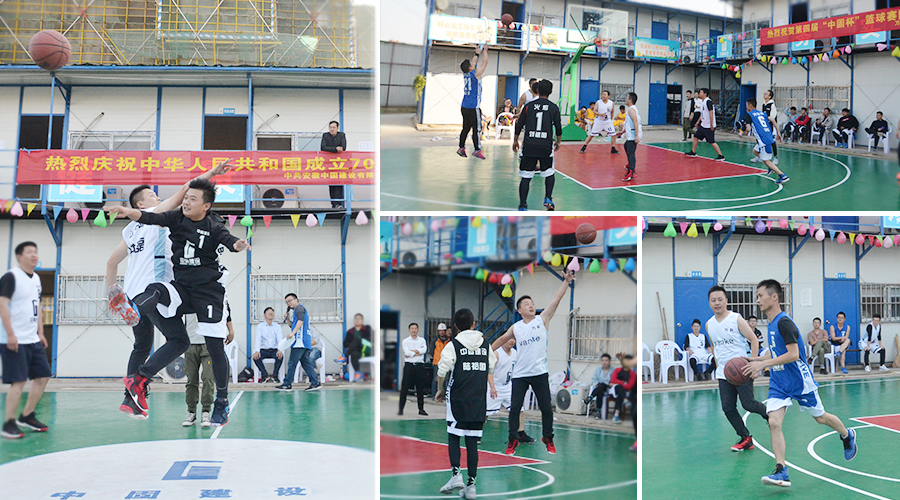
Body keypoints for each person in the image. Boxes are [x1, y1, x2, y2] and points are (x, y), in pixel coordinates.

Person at [108, 178, 251, 427]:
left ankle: (134, 394)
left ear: (205, 205)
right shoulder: (170, 215)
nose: (161, 198)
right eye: (153, 195)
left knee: (145, 346)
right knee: (176, 334)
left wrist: (111, 292)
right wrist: (212, 173)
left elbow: (112, 261)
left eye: (192, 199)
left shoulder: (132, 230)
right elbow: (161, 208)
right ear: (142, 203)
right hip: (169, 286)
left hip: (173, 293)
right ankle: (138, 383)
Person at [744, 280, 857, 488]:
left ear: (774, 297)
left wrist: (764, 364)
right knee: (774, 422)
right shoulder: (771, 323)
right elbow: (777, 351)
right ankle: (781, 471)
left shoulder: (784, 323)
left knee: (821, 418)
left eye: (760, 295)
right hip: (779, 382)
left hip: (799, 381)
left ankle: (847, 434)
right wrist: (757, 359)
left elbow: (794, 354)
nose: (757, 300)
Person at [492, 270, 575, 456]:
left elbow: (557, 299)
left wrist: (566, 282)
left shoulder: (542, 319)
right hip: (520, 375)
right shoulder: (516, 327)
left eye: (532, 303)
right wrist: (487, 350)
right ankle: (513, 439)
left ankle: (548, 438)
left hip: (539, 373)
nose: (530, 305)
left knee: (546, 408)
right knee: (515, 409)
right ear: (519, 311)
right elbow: (502, 339)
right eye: (526, 304)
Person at [436, 308, 497, 499]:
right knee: (472, 442)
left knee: (454, 436)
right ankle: (471, 486)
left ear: (455, 326)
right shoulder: (485, 345)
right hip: (478, 400)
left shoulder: (453, 345)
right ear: (473, 324)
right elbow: (491, 367)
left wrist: (439, 389)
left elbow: (442, 370)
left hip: (457, 399)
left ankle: (456, 475)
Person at [705, 285, 768, 452]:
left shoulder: (736, 319)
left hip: (742, 369)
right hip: (724, 373)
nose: (717, 303)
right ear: (709, 303)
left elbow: (754, 340)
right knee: (728, 408)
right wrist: (719, 367)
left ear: (726, 301)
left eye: (720, 299)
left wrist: (754, 366)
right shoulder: (709, 324)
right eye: (713, 300)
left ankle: (770, 415)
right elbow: (714, 347)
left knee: (748, 404)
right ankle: (745, 438)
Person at [0, 242, 50, 439]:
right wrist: (10, 334)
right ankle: (8, 424)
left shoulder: (36, 278)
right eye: (29, 252)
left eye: (36, 252)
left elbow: (37, 306)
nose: (34, 255)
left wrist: (40, 333)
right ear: (19, 257)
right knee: (19, 381)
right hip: (14, 339)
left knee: (43, 375)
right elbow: (2, 305)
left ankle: (27, 415)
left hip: (32, 339)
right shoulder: (11, 277)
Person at [514, 79, 562, 212]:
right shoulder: (553, 107)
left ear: (537, 90)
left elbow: (519, 124)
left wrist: (515, 140)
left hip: (529, 145)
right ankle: (548, 198)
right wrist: (558, 141)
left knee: (526, 176)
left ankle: (523, 205)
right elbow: (558, 127)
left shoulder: (528, 107)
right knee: (549, 173)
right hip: (545, 146)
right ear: (551, 92)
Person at [182, 310, 233, 428]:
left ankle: (206, 411)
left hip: (208, 343)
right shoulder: (187, 299)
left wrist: (231, 330)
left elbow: (225, 310)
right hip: (190, 343)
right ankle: (191, 412)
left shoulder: (209, 299)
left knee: (208, 378)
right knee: (191, 380)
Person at [277, 294, 320, 391]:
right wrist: (287, 318)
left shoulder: (299, 309)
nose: (289, 303)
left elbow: (300, 322)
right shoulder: (297, 311)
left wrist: (293, 333)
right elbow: (292, 325)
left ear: (296, 299)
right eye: (287, 302)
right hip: (304, 342)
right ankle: (315, 382)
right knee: (306, 363)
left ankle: (287, 384)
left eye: (290, 300)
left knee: (292, 363)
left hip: (299, 341)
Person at [746, 98, 789, 184]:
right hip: (768, 137)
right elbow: (773, 120)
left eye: (746, 105)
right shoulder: (763, 114)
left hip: (763, 140)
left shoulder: (749, 115)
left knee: (766, 161)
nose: (746, 107)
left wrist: (743, 130)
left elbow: (748, 128)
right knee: (755, 151)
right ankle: (770, 166)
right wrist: (778, 132)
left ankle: (782, 175)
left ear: (750, 106)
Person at [458, 45, 488, 160]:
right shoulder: (476, 74)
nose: (473, 64)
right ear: (470, 68)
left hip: (464, 106)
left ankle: (461, 147)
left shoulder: (466, 73)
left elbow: (473, 62)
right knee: (477, 129)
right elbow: (485, 63)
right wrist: (485, 51)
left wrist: (477, 53)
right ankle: (477, 150)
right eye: (471, 64)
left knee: (465, 128)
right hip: (473, 107)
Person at [685, 88, 725, 161]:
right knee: (696, 136)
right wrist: (698, 122)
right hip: (703, 125)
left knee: (712, 142)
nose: (699, 94)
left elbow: (711, 113)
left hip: (708, 126)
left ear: (705, 94)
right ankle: (693, 152)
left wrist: (711, 124)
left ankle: (721, 155)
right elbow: (703, 113)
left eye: (701, 92)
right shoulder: (703, 102)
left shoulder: (708, 101)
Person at [398, 322, 428, 416]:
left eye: (415, 328)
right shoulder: (405, 341)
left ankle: (421, 409)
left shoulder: (422, 340)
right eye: (412, 328)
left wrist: (414, 352)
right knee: (405, 388)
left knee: (420, 388)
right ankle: (401, 409)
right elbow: (407, 353)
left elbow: (424, 350)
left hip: (419, 366)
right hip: (409, 366)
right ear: (409, 330)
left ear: (418, 330)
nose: (414, 330)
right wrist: (418, 352)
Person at [580, 90, 619, 155]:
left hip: (607, 121)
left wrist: (610, 119)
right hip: (599, 121)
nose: (603, 96)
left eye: (605, 94)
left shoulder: (611, 103)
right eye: (602, 94)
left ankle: (613, 148)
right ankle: (584, 146)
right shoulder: (598, 102)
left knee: (613, 135)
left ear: (608, 96)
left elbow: (612, 112)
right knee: (591, 135)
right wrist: (600, 114)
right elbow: (594, 111)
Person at [253, 307, 284, 383]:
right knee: (255, 357)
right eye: (268, 312)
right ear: (264, 315)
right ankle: (264, 375)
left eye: (272, 312)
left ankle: (275, 376)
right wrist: (257, 351)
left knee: (280, 356)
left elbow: (280, 340)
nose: (270, 313)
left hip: (274, 350)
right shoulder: (260, 326)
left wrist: (280, 350)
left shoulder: (277, 326)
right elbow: (258, 339)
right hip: (264, 350)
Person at [321, 120, 347, 208]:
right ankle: (334, 204)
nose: (332, 129)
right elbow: (323, 147)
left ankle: (338, 203)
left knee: (339, 183)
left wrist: (338, 149)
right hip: (329, 164)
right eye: (330, 127)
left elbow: (343, 147)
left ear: (337, 128)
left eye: (334, 127)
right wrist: (335, 149)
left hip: (339, 164)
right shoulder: (325, 135)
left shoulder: (341, 135)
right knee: (331, 184)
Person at [342, 313, 372, 379]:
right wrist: (353, 345)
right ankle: (358, 373)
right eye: (356, 319)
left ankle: (345, 356)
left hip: (367, 350)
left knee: (357, 340)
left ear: (362, 321)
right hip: (358, 352)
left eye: (359, 319)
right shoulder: (350, 331)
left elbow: (371, 339)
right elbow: (345, 344)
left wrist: (359, 341)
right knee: (353, 353)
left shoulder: (367, 328)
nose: (357, 320)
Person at [621, 92, 642, 182]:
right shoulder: (631, 109)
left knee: (631, 153)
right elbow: (629, 124)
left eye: (627, 98)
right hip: (632, 133)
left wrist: (636, 135)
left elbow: (635, 121)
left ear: (630, 100)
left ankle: (631, 172)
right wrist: (622, 132)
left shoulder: (631, 110)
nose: (625, 99)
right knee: (626, 146)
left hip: (634, 134)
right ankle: (630, 165)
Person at [609, 354, 636, 423]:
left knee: (620, 394)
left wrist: (618, 383)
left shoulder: (632, 374)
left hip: (625, 392)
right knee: (619, 387)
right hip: (614, 390)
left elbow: (629, 386)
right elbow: (612, 380)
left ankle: (616, 415)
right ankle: (625, 400)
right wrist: (623, 383)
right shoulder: (617, 370)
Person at [756, 90, 779, 164]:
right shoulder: (764, 104)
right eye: (764, 93)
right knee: (759, 140)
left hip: (771, 126)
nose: (764, 95)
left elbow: (772, 117)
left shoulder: (772, 105)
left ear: (770, 96)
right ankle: (759, 156)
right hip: (764, 125)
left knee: (772, 141)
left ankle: (775, 158)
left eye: (766, 94)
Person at [430, 323, 451, 397]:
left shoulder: (449, 341)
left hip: (446, 362)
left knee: (446, 379)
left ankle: (445, 395)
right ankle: (434, 394)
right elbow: (432, 351)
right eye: (440, 331)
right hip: (437, 362)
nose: (442, 332)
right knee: (436, 379)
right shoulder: (435, 340)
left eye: (443, 330)